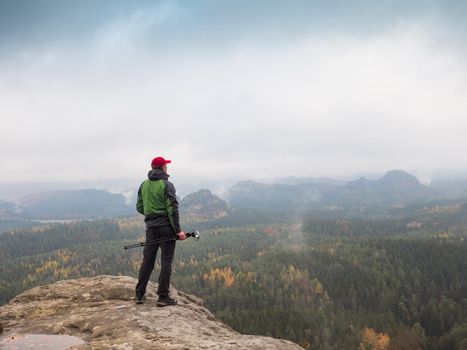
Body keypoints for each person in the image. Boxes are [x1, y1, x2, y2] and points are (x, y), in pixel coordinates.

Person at [135, 156, 186, 306]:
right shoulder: (167, 185)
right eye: (166, 165)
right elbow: (172, 209)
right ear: (162, 167)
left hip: (151, 228)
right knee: (166, 261)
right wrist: (178, 231)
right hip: (166, 228)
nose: (167, 167)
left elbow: (139, 206)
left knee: (148, 260)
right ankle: (163, 297)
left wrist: (151, 217)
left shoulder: (144, 185)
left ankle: (139, 294)